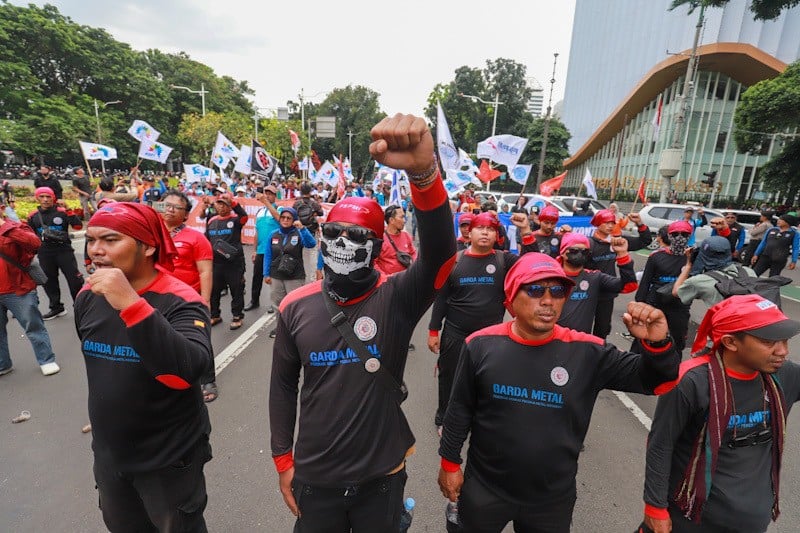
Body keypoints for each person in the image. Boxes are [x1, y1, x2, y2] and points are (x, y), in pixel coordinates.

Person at [269, 113, 456, 532]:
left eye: (356, 237)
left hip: (382, 477)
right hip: (315, 476)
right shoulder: (296, 307)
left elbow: (442, 256)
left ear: (376, 247)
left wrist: (424, 174)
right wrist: (283, 459)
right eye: (334, 232)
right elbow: (283, 386)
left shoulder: (396, 296)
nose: (341, 243)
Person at [438, 252, 679, 533]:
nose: (548, 300)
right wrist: (449, 462)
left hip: (550, 500)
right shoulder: (479, 345)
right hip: (485, 489)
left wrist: (659, 344)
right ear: (511, 297)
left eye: (558, 290)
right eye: (536, 289)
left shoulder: (588, 351)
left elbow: (658, 383)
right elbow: (459, 410)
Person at [77, 202, 214, 532]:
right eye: (91, 239)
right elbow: (100, 369)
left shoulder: (181, 300)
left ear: (149, 245)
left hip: (168, 458)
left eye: (110, 240)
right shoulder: (88, 295)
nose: (96, 250)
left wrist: (131, 304)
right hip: (111, 456)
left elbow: (188, 371)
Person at [642, 294, 800, 533]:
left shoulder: (784, 376)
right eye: (769, 342)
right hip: (690, 520)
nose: (783, 351)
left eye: (785, 340)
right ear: (730, 342)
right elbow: (660, 446)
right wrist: (655, 509)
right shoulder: (693, 382)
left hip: (751, 522)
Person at [428, 212, 536, 432]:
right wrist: (433, 330)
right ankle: (445, 418)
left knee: (488, 378)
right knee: (450, 378)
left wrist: (526, 231)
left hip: (491, 336)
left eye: (491, 229)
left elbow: (533, 263)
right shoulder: (454, 260)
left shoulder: (503, 259)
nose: (485, 232)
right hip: (456, 333)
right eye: (480, 228)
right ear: (469, 233)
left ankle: (480, 417)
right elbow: (441, 298)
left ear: (497, 235)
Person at [158, 190, 218, 403]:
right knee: (159, 339)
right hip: (157, 299)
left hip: (188, 302)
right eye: (166, 205)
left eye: (176, 207)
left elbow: (205, 271)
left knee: (198, 340)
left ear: (185, 214)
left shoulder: (195, 238)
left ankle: (207, 379)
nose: (170, 209)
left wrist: (205, 300)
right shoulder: (152, 234)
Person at [0, 201, 59, 376]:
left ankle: (46, 359)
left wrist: (4, 227)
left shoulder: (16, 227)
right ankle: (3, 363)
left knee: (33, 325)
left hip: (18, 288)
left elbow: (34, 244)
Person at [587, 208, 652, 339]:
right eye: (606, 223)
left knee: (603, 328)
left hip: (607, 294)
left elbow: (645, 241)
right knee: (582, 327)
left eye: (612, 223)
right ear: (598, 223)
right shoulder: (587, 244)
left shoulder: (618, 241)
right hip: (587, 292)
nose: (610, 226)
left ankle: (599, 354)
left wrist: (640, 224)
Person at [557, 232, 637, 333]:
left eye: (585, 251)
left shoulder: (595, 277)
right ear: (563, 252)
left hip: (581, 343)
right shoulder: (550, 277)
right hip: (550, 341)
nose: (579, 254)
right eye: (574, 250)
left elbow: (629, 286)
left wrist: (622, 254)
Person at [634, 220, 693, 353]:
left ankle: (672, 372)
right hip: (655, 304)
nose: (679, 238)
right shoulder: (656, 256)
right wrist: (640, 306)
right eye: (675, 234)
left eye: (684, 234)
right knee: (644, 341)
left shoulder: (692, 258)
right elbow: (645, 282)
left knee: (677, 343)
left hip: (679, 307)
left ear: (689, 236)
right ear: (670, 236)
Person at [27, 187, 84, 320]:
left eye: (48, 196)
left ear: (53, 197)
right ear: (37, 198)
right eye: (42, 196)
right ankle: (56, 308)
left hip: (64, 251)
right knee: (49, 281)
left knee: (74, 280)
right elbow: (30, 234)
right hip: (45, 253)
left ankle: (81, 307)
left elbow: (78, 227)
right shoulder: (33, 215)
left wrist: (69, 211)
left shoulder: (62, 212)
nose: (45, 199)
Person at [263, 207, 316, 339]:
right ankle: (281, 328)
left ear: (294, 220)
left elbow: (311, 244)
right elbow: (268, 255)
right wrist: (266, 273)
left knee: (295, 304)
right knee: (278, 304)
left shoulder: (298, 233)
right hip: (276, 275)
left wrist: (302, 229)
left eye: (289, 218)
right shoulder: (273, 234)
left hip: (295, 276)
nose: (285, 220)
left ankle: (296, 328)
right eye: (283, 217)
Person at [672, 235, 757, 308]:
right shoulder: (749, 271)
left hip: (723, 324)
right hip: (755, 323)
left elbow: (676, 292)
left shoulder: (699, 281)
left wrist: (688, 265)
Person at [206, 193, 248, 330]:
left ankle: (237, 316)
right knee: (214, 291)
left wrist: (235, 203)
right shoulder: (212, 221)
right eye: (219, 203)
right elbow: (206, 240)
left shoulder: (236, 220)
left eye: (225, 204)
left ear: (230, 206)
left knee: (236, 290)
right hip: (216, 264)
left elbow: (244, 216)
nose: (222, 206)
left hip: (234, 263)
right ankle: (215, 315)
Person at [245, 184, 280, 313]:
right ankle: (254, 301)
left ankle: (274, 302)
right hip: (260, 250)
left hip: (275, 250)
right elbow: (257, 232)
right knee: (257, 277)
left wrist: (266, 203)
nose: (267, 195)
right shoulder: (260, 212)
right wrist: (254, 250)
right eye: (266, 193)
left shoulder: (279, 208)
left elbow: (278, 218)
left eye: (270, 193)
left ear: (275, 196)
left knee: (274, 278)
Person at [375, 204, 417, 275]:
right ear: (391, 220)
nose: (404, 220)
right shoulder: (379, 238)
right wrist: (384, 278)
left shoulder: (406, 235)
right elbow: (374, 263)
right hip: (388, 282)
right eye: (401, 217)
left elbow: (413, 253)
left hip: (407, 279)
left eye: (404, 217)